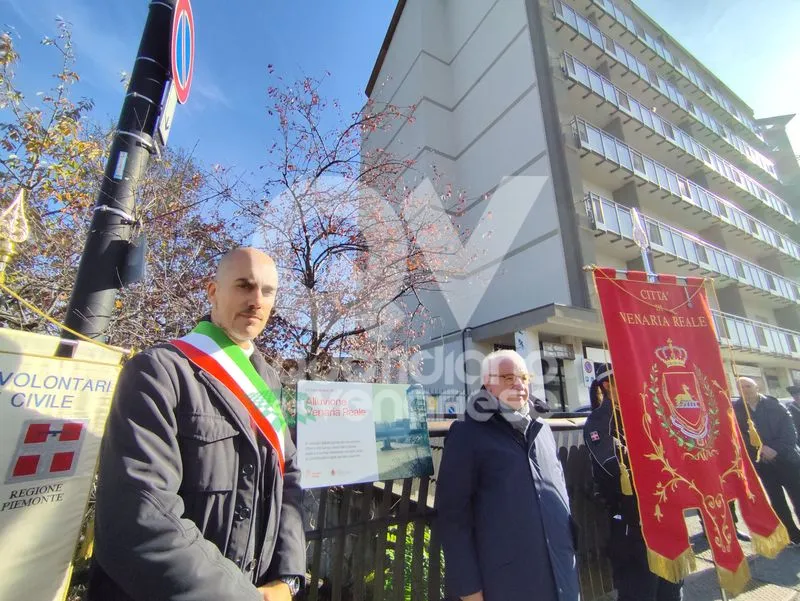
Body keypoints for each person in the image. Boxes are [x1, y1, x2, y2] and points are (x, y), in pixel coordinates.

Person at [87, 248, 305, 601]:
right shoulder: (158, 372)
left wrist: (288, 576)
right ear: (213, 292)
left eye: (268, 291)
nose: (257, 301)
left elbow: (289, 478)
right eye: (244, 285)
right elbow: (141, 516)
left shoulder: (268, 382)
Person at [435, 349, 580, 601]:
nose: (519, 385)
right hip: (507, 584)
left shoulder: (542, 429)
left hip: (562, 576)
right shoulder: (468, 434)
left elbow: (559, 494)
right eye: (508, 378)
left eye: (524, 377)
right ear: (488, 383)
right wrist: (468, 589)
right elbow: (453, 517)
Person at [583, 367, 683, 601]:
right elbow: (616, 464)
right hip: (632, 523)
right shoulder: (600, 420)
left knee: (671, 590)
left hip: (666, 516)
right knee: (640, 591)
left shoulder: (646, 414)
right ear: (608, 385)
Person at [734, 377, 800, 545]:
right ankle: (793, 535)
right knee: (777, 501)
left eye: (748, 386)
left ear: (757, 387)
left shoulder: (774, 405)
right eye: (740, 387)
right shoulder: (735, 410)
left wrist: (775, 449)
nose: (744, 390)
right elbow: (738, 437)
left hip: (787, 459)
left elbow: (790, 433)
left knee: (798, 496)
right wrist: (761, 449)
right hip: (763, 464)